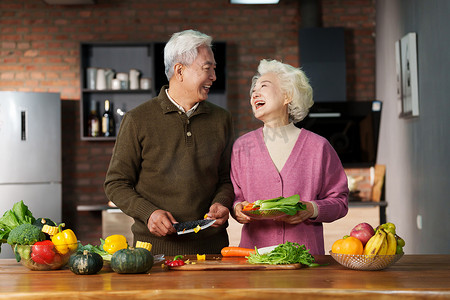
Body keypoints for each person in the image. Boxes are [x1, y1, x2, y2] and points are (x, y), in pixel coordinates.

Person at [104, 29, 234, 255]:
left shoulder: (222, 119)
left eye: (214, 69)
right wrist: (149, 213)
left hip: (214, 250)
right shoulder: (137, 119)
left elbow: (227, 178)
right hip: (154, 253)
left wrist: (222, 202)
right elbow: (116, 183)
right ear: (180, 71)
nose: (214, 76)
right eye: (207, 69)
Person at [231, 59, 349, 255]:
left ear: (287, 96)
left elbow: (340, 201)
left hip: (305, 259)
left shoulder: (318, 147)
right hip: (254, 260)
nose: (254, 93)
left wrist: (312, 209)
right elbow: (235, 198)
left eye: (264, 86)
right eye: (253, 89)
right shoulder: (242, 147)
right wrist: (237, 209)